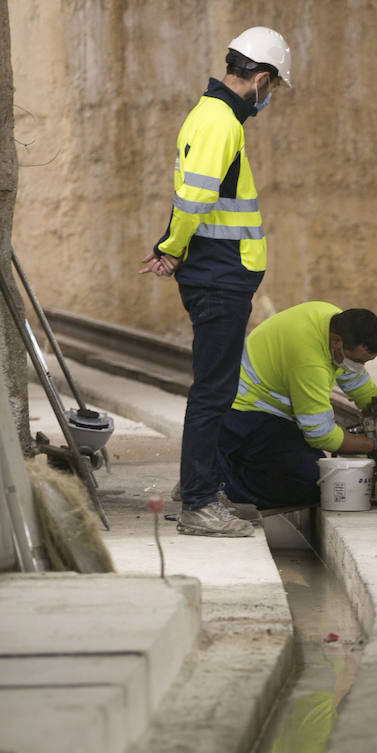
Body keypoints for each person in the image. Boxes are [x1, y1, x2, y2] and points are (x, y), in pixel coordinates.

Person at [140, 27, 292, 537]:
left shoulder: (210, 116)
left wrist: (171, 245)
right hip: (219, 276)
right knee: (213, 393)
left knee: (215, 389)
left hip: (217, 271)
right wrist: (171, 247)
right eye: (272, 88)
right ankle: (200, 503)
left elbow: (191, 197)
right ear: (261, 78)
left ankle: (198, 487)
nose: (269, 98)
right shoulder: (222, 121)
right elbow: (196, 199)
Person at [214, 302, 377, 509]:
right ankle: (218, 486)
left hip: (266, 406)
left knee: (308, 463)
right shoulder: (310, 362)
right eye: (357, 360)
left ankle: (214, 470)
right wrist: (374, 446)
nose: (359, 367)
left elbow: (356, 380)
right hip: (246, 410)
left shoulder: (333, 321)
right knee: (309, 480)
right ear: (336, 342)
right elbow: (320, 434)